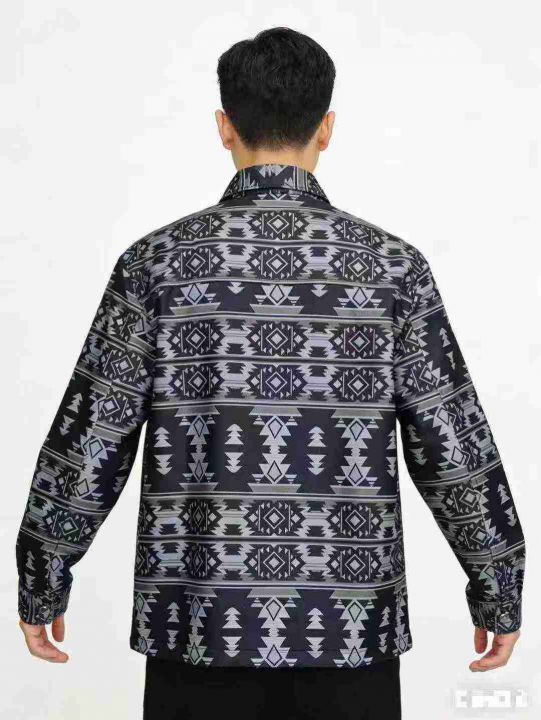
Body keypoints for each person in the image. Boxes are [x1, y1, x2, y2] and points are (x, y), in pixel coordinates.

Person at [16, 26, 525, 720]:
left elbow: (90, 438)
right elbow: (453, 445)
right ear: (327, 128)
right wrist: (496, 584)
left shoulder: (156, 265)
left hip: (198, 625)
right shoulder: (391, 269)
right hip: (349, 631)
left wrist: (43, 575)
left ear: (224, 127)